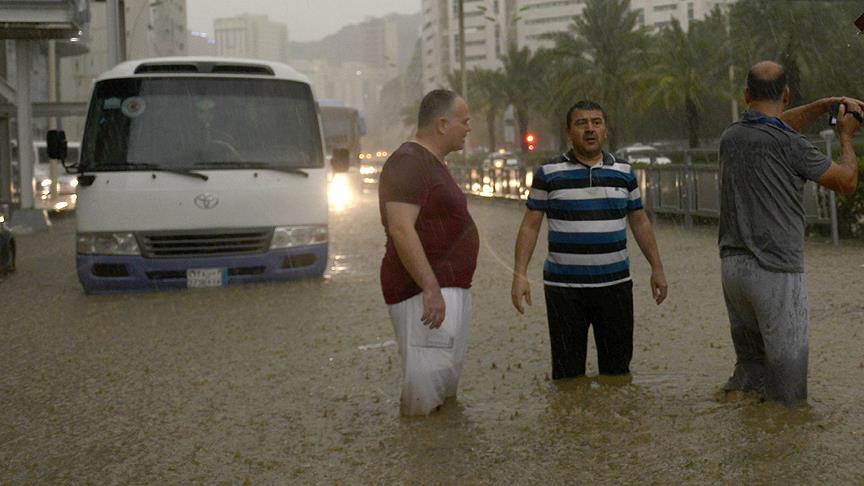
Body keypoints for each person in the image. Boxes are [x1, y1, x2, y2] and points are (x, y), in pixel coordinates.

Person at [718, 61, 861, 405]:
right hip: (776, 271)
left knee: (749, 375)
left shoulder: (731, 137)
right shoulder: (791, 145)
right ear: (786, 94)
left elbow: (774, 125)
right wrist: (845, 137)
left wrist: (822, 106)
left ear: (746, 94)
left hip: (733, 270)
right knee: (789, 395)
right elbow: (846, 182)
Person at [511, 100, 668, 380]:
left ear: (605, 130)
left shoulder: (624, 172)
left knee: (617, 374)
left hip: (615, 286)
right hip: (564, 291)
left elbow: (640, 221)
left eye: (596, 122)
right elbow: (530, 227)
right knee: (567, 376)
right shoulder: (549, 174)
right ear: (568, 132)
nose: (590, 129)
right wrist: (520, 275)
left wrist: (657, 268)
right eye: (581, 123)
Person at [378, 89, 479, 416]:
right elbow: (401, 228)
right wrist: (430, 287)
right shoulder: (409, 161)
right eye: (464, 122)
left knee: (443, 391)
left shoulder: (432, 163)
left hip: (445, 290)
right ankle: (420, 447)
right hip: (423, 295)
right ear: (442, 124)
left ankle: (440, 446)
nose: (468, 128)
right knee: (425, 395)